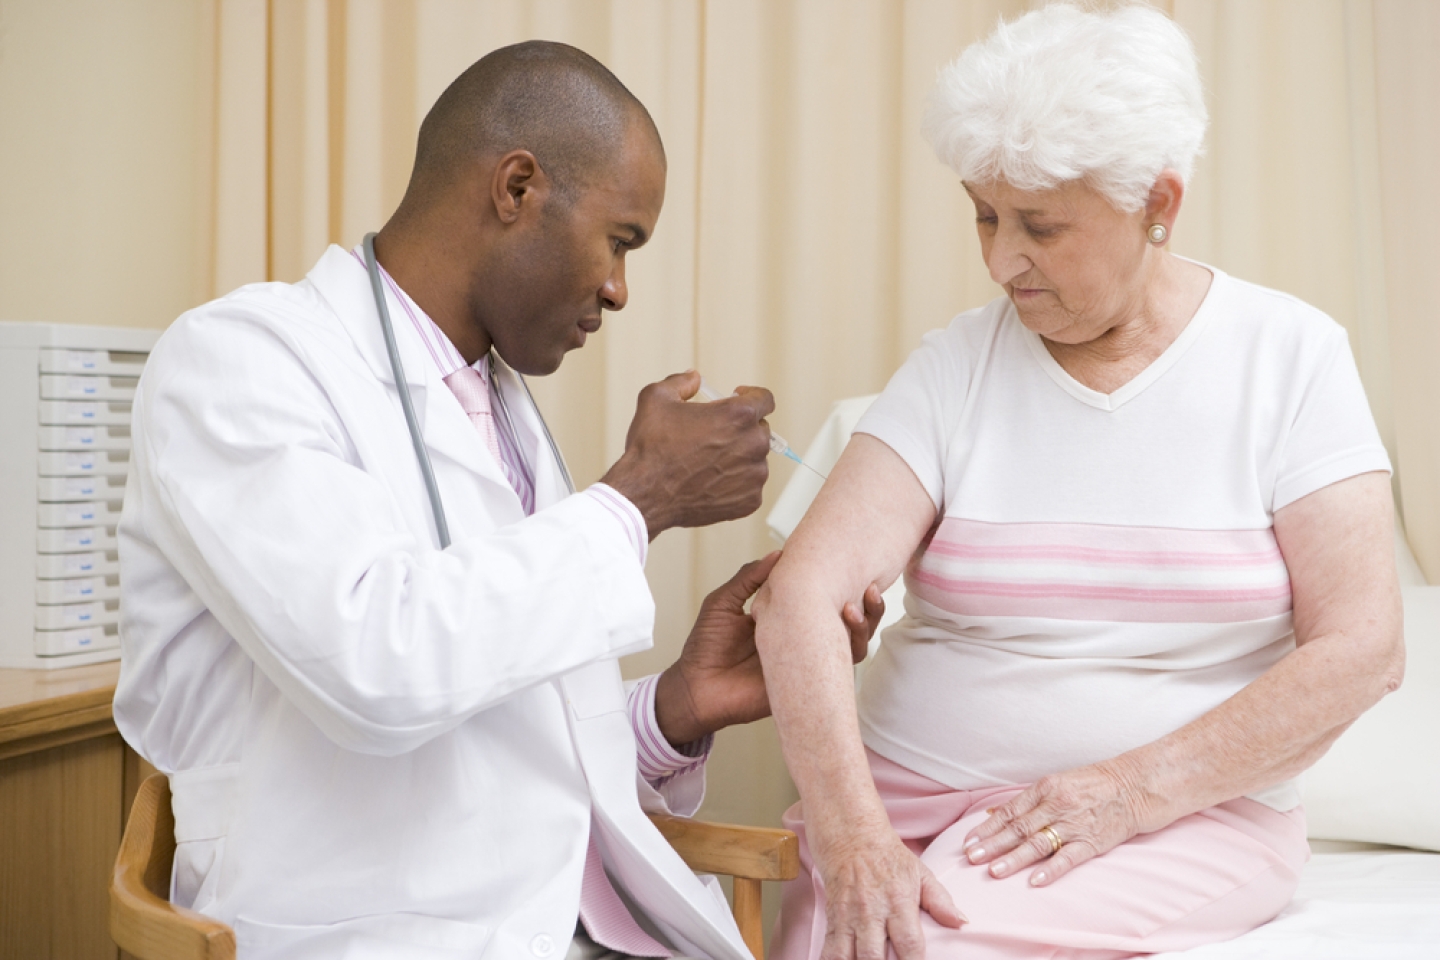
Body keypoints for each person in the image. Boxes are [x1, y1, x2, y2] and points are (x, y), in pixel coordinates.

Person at [114, 41, 882, 960]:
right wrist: (635, 502)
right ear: (516, 188)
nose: (618, 289)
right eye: (619, 240)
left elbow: (513, 757)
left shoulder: (499, 405)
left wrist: (680, 707)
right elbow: (377, 666)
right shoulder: (239, 362)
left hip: (557, 925)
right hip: (365, 931)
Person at [751, 5, 1405, 959]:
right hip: (900, 809)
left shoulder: (1290, 359)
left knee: (927, 950)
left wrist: (1133, 791)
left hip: (1183, 817)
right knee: (852, 935)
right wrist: (853, 838)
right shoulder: (956, 365)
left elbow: (1363, 649)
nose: (1000, 258)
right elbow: (799, 596)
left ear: (1159, 205)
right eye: (984, 214)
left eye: (1041, 227)